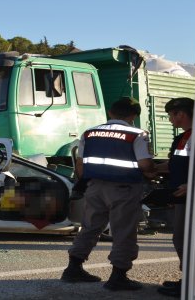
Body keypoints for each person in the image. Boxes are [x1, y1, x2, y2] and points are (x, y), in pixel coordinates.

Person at [60, 97, 157, 291]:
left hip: (95, 186)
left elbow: (80, 164)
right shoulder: (137, 134)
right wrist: (153, 171)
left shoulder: (89, 133)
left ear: (110, 113)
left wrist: (87, 182)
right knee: (124, 231)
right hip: (124, 189)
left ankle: (73, 268)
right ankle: (118, 276)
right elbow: (145, 164)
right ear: (133, 116)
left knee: (89, 227)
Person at [155, 97, 194, 298]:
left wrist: (192, 185)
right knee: (181, 239)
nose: (170, 119)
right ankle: (188, 279)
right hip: (181, 196)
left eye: (171, 115)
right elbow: (174, 165)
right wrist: (150, 169)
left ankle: (191, 282)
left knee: (185, 239)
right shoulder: (181, 138)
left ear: (181, 114)